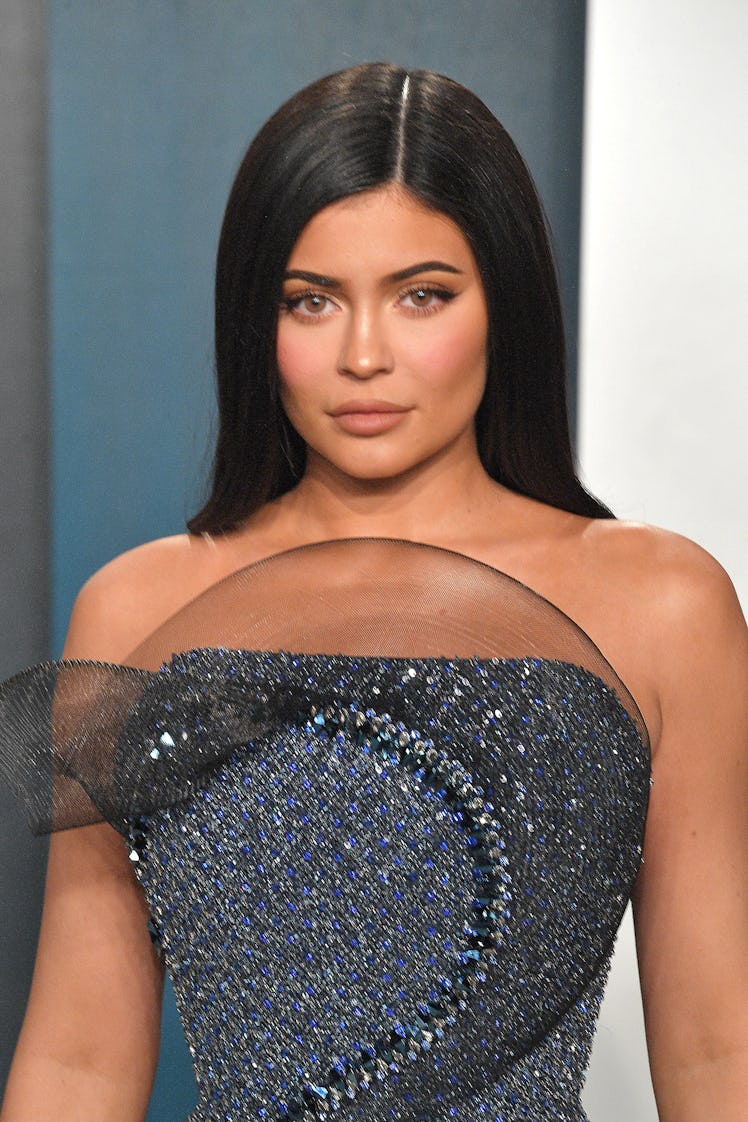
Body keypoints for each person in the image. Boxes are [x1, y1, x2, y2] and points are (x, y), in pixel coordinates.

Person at [0, 62, 746, 1122]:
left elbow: (718, 1051)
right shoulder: (136, 608)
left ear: (505, 304)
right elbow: (78, 1061)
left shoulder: (663, 605)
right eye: (310, 301)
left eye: (421, 296)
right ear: (254, 320)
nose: (363, 355)